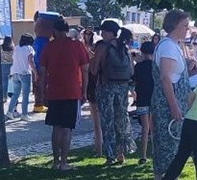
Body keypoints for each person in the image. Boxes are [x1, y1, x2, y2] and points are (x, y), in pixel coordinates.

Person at [151, 10, 194, 180]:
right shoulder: (168, 46)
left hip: (174, 102)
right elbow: (165, 78)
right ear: (175, 25)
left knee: (173, 141)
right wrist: (174, 106)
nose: (187, 29)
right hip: (167, 104)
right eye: (185, 25)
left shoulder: (173, 45)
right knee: (168, 141)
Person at [38, 21, 88, 170]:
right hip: (72, 91)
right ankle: (64, 162)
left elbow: (42, 71)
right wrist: (84, 90)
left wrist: (42, 91)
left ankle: (55, 161)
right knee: (67, 128)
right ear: (66, 31)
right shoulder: (77, 45)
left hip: (53, 91)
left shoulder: (49, 46)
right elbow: (85, 70)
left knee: (56, 127)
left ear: (55, 31)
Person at [93, 20, 133, 165]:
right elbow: (131, 70)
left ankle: (109, 155)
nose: (101, 34)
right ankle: (121, 153)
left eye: (103, 31)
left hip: (106, 87)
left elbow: (93, 69)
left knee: (107, 120)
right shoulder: (124, 47)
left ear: (110, 32)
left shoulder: (103, 47)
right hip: (122, 88)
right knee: (121, 120)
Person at [132, 39, 155, 164]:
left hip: (142, 99)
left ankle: (143, 155)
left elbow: (134, 80)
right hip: (153, 99)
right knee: (154, 127)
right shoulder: (156, 66)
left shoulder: (138, 66)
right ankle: (155, 152)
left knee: (145, 128)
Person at [83, 27, 104, 157]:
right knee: (102, 121)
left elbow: (88, 74)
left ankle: (99, 148)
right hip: (103, 90)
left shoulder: (91, 62)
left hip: (94, 91)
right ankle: (100, 147)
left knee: (97, 122)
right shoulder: (105, 62)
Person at [6, 33, 36, 119]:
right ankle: (24, 114)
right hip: (25, 72)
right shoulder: (29, 48)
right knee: (25, 95)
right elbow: (31, 62)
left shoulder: (16, 48)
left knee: (16, 94)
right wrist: (35, 72)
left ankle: (10, 112)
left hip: (15, 72)